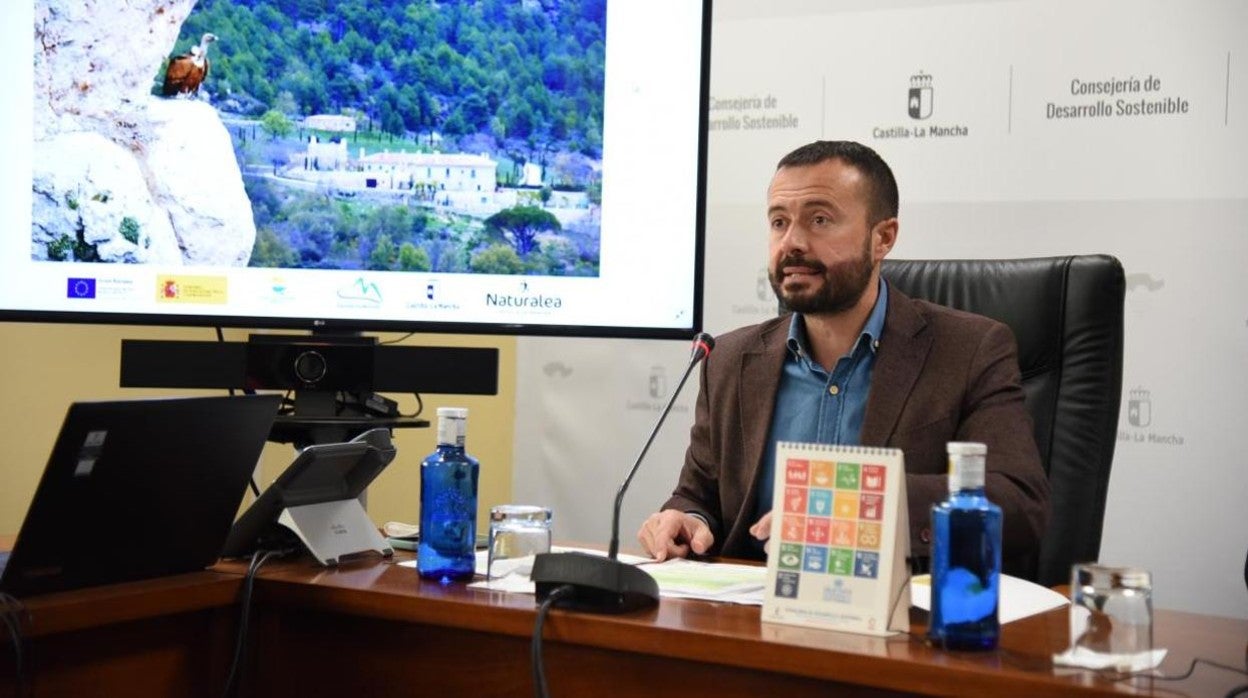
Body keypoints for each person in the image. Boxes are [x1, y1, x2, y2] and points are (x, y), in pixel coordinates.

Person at [637, 140, 1049, 574]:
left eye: (819, 220)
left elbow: (1019, 504)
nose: (792, 242)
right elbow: (698, 497)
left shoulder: (968, 350)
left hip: (894, 622)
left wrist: (851, 510)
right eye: (779, 222)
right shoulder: (730, 360)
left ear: (883, 238)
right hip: (749, 621)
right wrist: (685, 520)